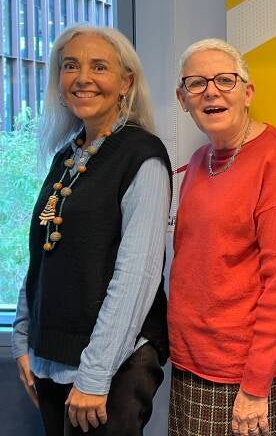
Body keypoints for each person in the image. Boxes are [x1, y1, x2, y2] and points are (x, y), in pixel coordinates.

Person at [12, 24, 172, 435]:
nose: (82, 78)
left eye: (99, 66)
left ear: (126, 83)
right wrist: (24, 340)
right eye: (70, 66)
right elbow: (41, 254)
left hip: (109, 367)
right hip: (51, 357)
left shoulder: (142, 155)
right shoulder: (67, 156)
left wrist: (96, 375)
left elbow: (137, 276)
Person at [169, 39, 276, 436]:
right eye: (197, 83)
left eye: (225, 80)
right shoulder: (198, 160)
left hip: (248, 374)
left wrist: (255, 383)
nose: (211, 91)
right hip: (192, 363)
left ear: (247, 93)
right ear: (182, 99)